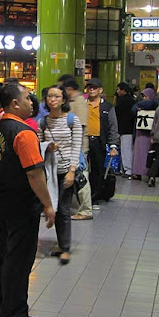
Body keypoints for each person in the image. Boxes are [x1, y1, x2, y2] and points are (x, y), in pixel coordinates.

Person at [0, 83, 55, 317]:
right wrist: (48, 204)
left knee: (5, 249)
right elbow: (35, 174)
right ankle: (14, 311)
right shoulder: (24, 133)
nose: (31, 102)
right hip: (22, 203)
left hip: (2, 198)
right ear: (15, 103)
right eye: (27, 98)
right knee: (20, 257)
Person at [37, 85, 81, 265]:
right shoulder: (43, 122)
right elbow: (38, 145)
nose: (53, 99)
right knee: (52, 208)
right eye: (49, 96)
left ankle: (65, 248)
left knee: (63, 210)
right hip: (49, 171)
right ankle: (61, 244)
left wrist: (72, 171)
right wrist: (48, 146)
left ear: (63, 100)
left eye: (57, 96)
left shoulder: (72, 120)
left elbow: (76, 147)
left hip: (65, 170)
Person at [58, 75, 92, 220]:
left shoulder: (79, 102)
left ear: (69, 89)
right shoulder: (71, 101)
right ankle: (75, 208)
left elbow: (81, 126)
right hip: (69, 147)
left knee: (81, 177)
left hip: (78, 147)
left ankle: (85, 210)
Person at [85, 78, 120, 210]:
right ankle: (81, 198)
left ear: (100, 90)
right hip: (84, 140)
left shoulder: (107, 107)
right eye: (89, 87)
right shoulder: (82, 105)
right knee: (81, 170)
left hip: (98, 141)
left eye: (94, 87)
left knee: (97, 170)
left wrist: (113, 145)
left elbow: (112, 127)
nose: (91, 90)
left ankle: (94, 198)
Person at [131, 87, 158, 180]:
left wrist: (138, 105)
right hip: (143, 132)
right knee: (141, 154)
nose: (145, 98)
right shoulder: (155, 104)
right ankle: (140, 172)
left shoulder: (154, 103)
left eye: (146, 96)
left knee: (146, 154)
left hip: (146, 132)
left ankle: (145, 172)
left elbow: (141, 105)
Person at [115, 82, 135, 178]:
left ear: (123, 90)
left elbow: (117, 113)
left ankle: (128, 170)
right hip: (129, 128)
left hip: (125, 129)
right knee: (127, 149)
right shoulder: (131, 100)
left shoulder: (123, 101)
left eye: (119, 89)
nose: (117, 91)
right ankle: (126, 169)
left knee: (125, 150)